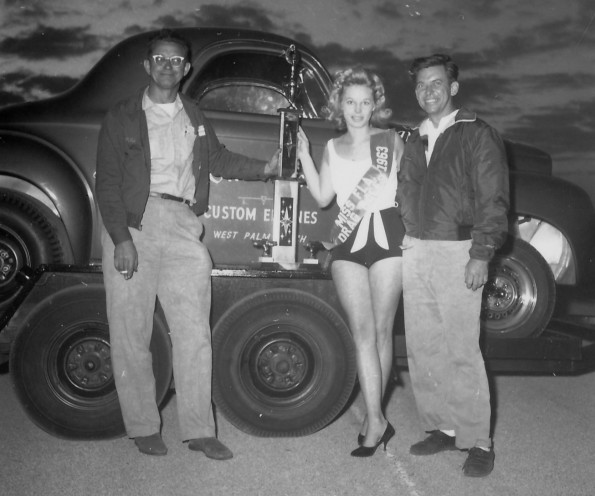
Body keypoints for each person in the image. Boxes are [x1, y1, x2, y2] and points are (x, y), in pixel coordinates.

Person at [95, 29, 278, 458]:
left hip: (182, 224)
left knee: (194, 331)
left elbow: (218, 159)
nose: (168, 66)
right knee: (130, 330)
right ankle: (143, 426)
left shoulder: (194, 115)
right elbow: (108, 184)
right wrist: (121, 239)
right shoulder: (121, 115)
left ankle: (199, 430)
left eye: (176, 61)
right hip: (133, 224)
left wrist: (266, 168)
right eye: (160, 59)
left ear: (187, 68)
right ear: (147, 65)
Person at [397, 54, 509, 477]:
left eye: (437, 83)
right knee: (423, 347)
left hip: (458, 250)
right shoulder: (414, 138)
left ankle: (478, 439)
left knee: (462, 349)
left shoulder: (476, 133)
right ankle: (442, 428)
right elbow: (404, 191)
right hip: (417, 251)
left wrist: (481, 253)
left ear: (453, 87)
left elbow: (493, 199)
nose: (429, 91)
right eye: (422, 84)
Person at [297, 66, 405, 457]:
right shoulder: (331, 147)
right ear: (339, 105)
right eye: (350, 102)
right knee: (362, 333)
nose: (357, 109)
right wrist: (304, 156)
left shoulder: (390, 141)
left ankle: (374, 417)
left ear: (374, 104)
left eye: (364, 102)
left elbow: (409, 189)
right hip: (347, 244)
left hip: (389, 236)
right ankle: (376, 418)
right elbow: (324, 197)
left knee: (381, 330)